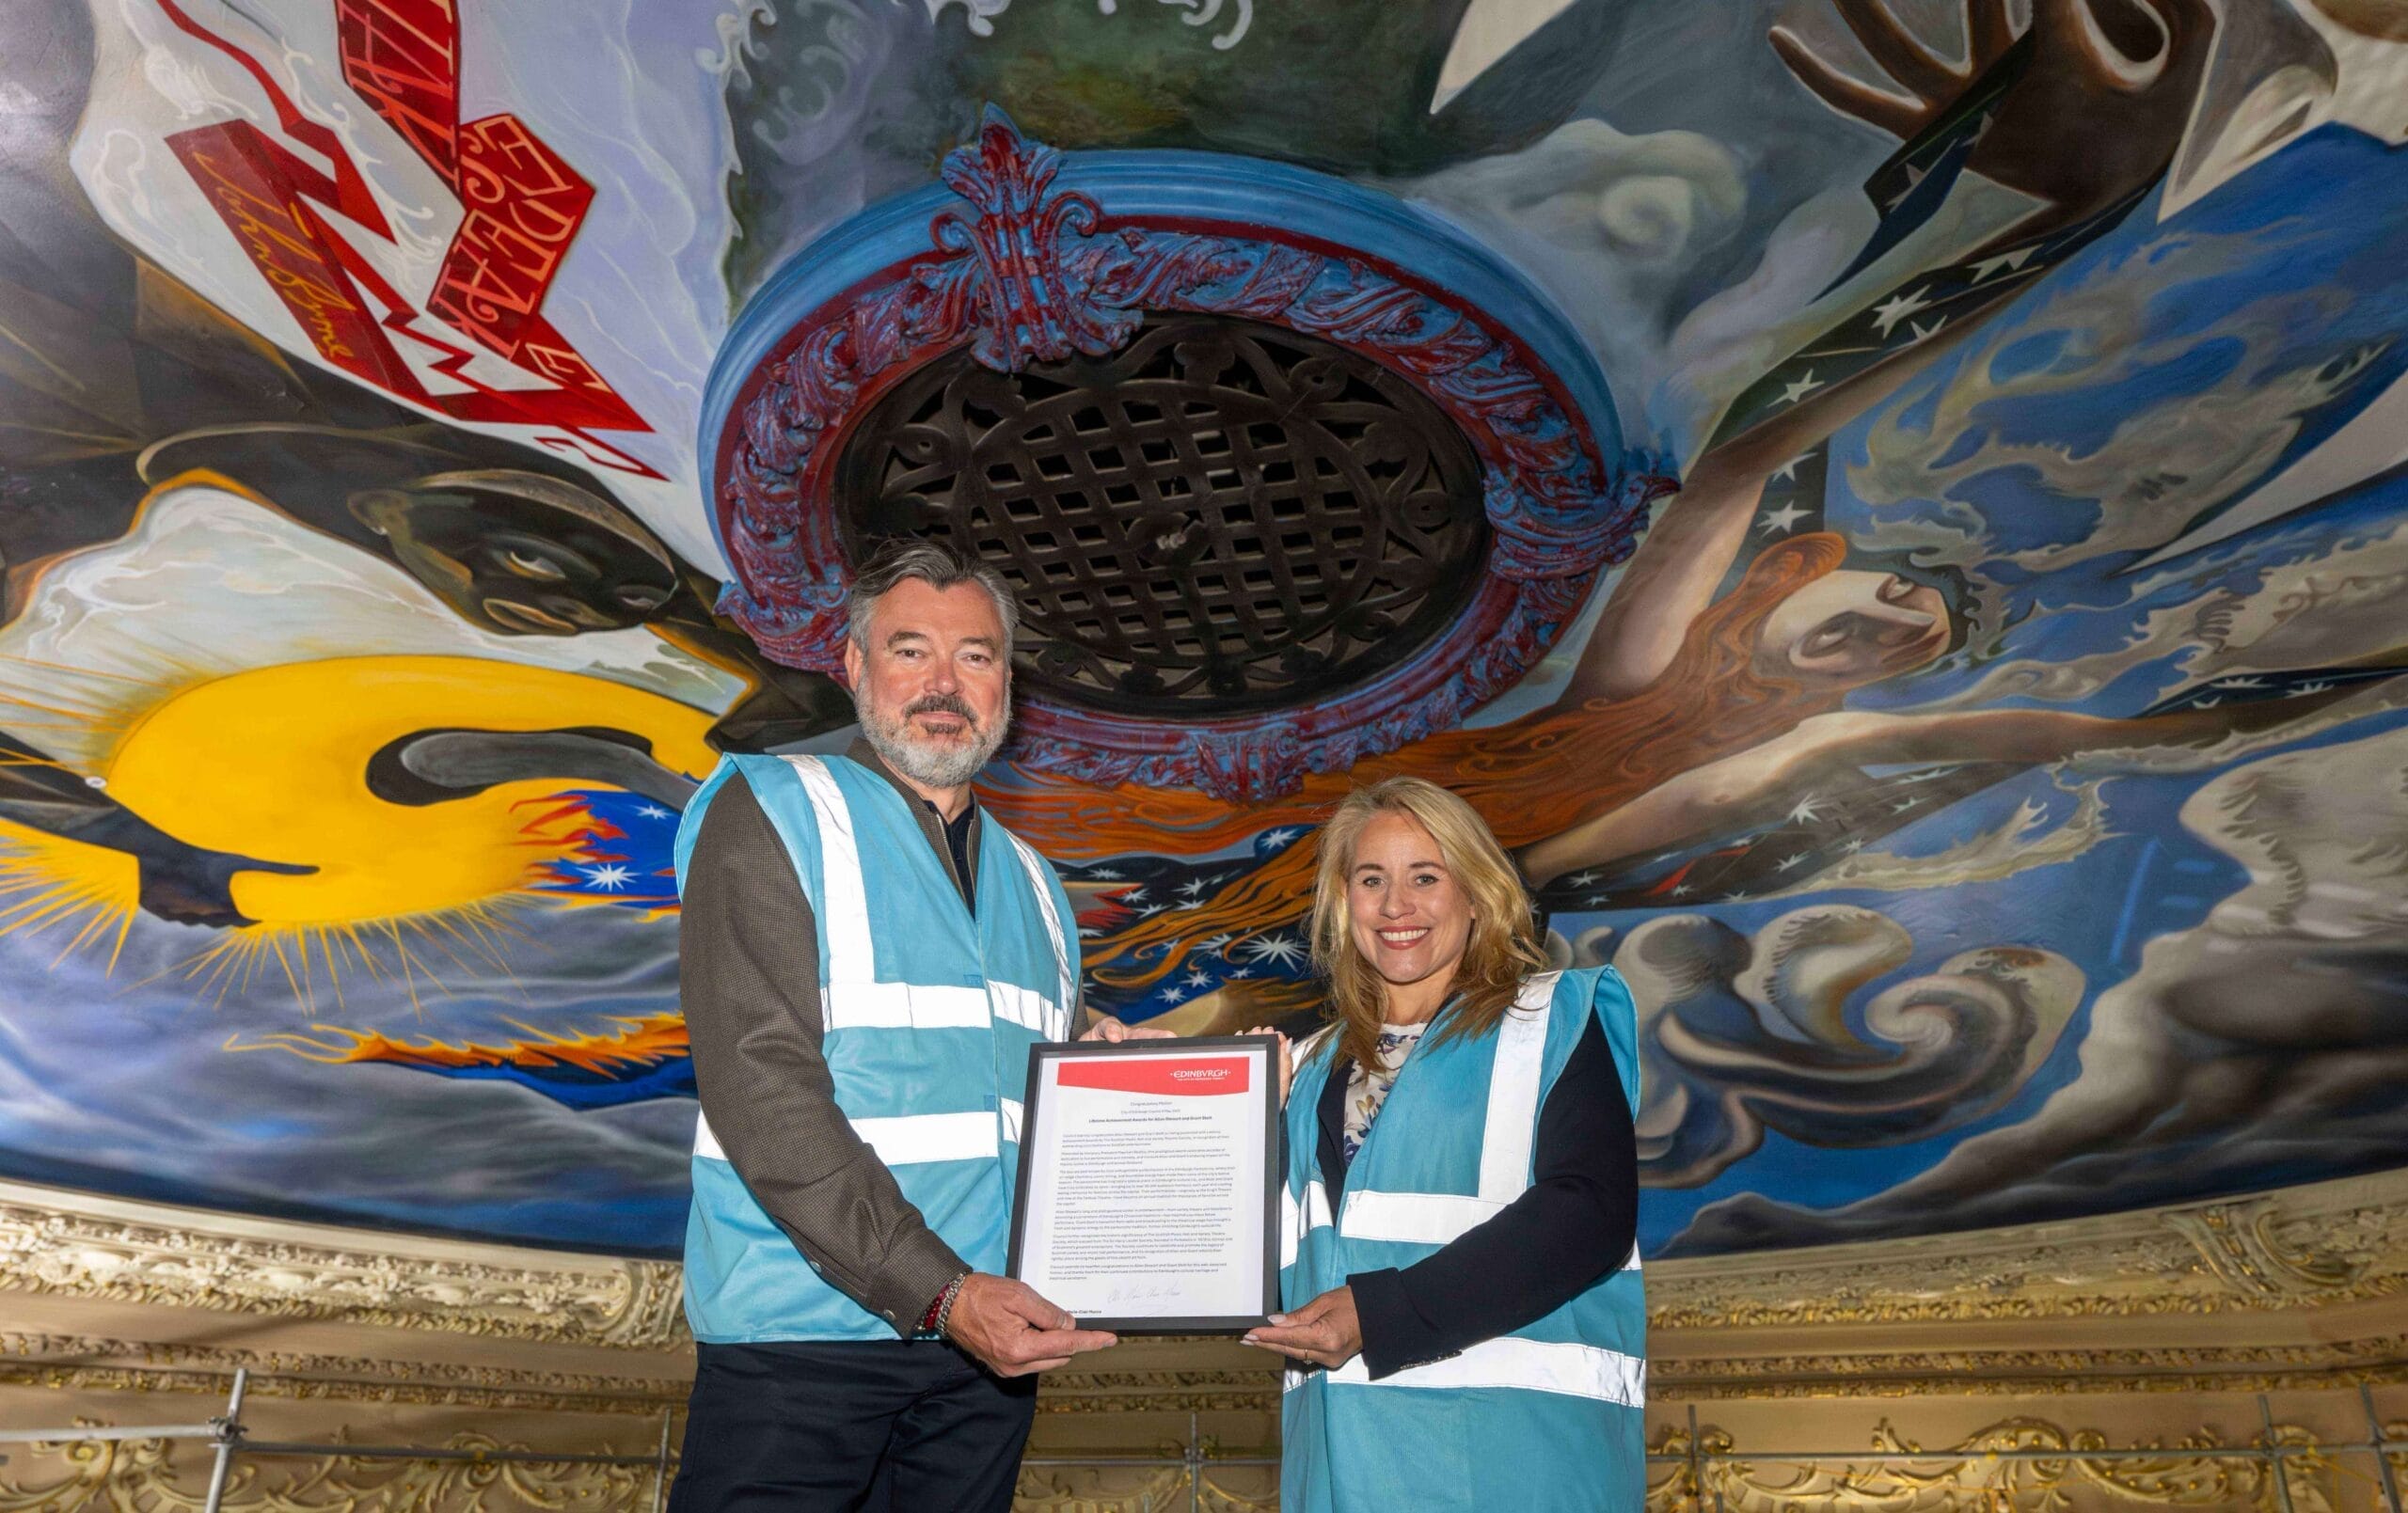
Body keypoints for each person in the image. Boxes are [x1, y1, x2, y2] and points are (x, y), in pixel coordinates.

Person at [666, 538, 1139, 1512]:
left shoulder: (1038, 884)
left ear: (1007, 683)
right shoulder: (770, 807)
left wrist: (1122, 1072)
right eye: (909, 648)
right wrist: (939, 1289)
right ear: (852, 666)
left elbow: (1002, 1075)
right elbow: (762, 1085)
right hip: (802, 1341)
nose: (943, 683)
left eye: (975, 656)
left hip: (986, 1353)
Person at [1245, 777, 1644, 1512]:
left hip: (1517, 1469)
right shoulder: (1300, 1071)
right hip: (1339, 1476)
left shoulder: (1552, 1019)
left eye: (1425, 876)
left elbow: (1590, 1214)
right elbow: (1254, 1275)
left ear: (1476, 892)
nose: (1396, 905)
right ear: (1344, 903)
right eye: (1372, 879)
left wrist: (1381, 1312)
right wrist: (1186, 1110)